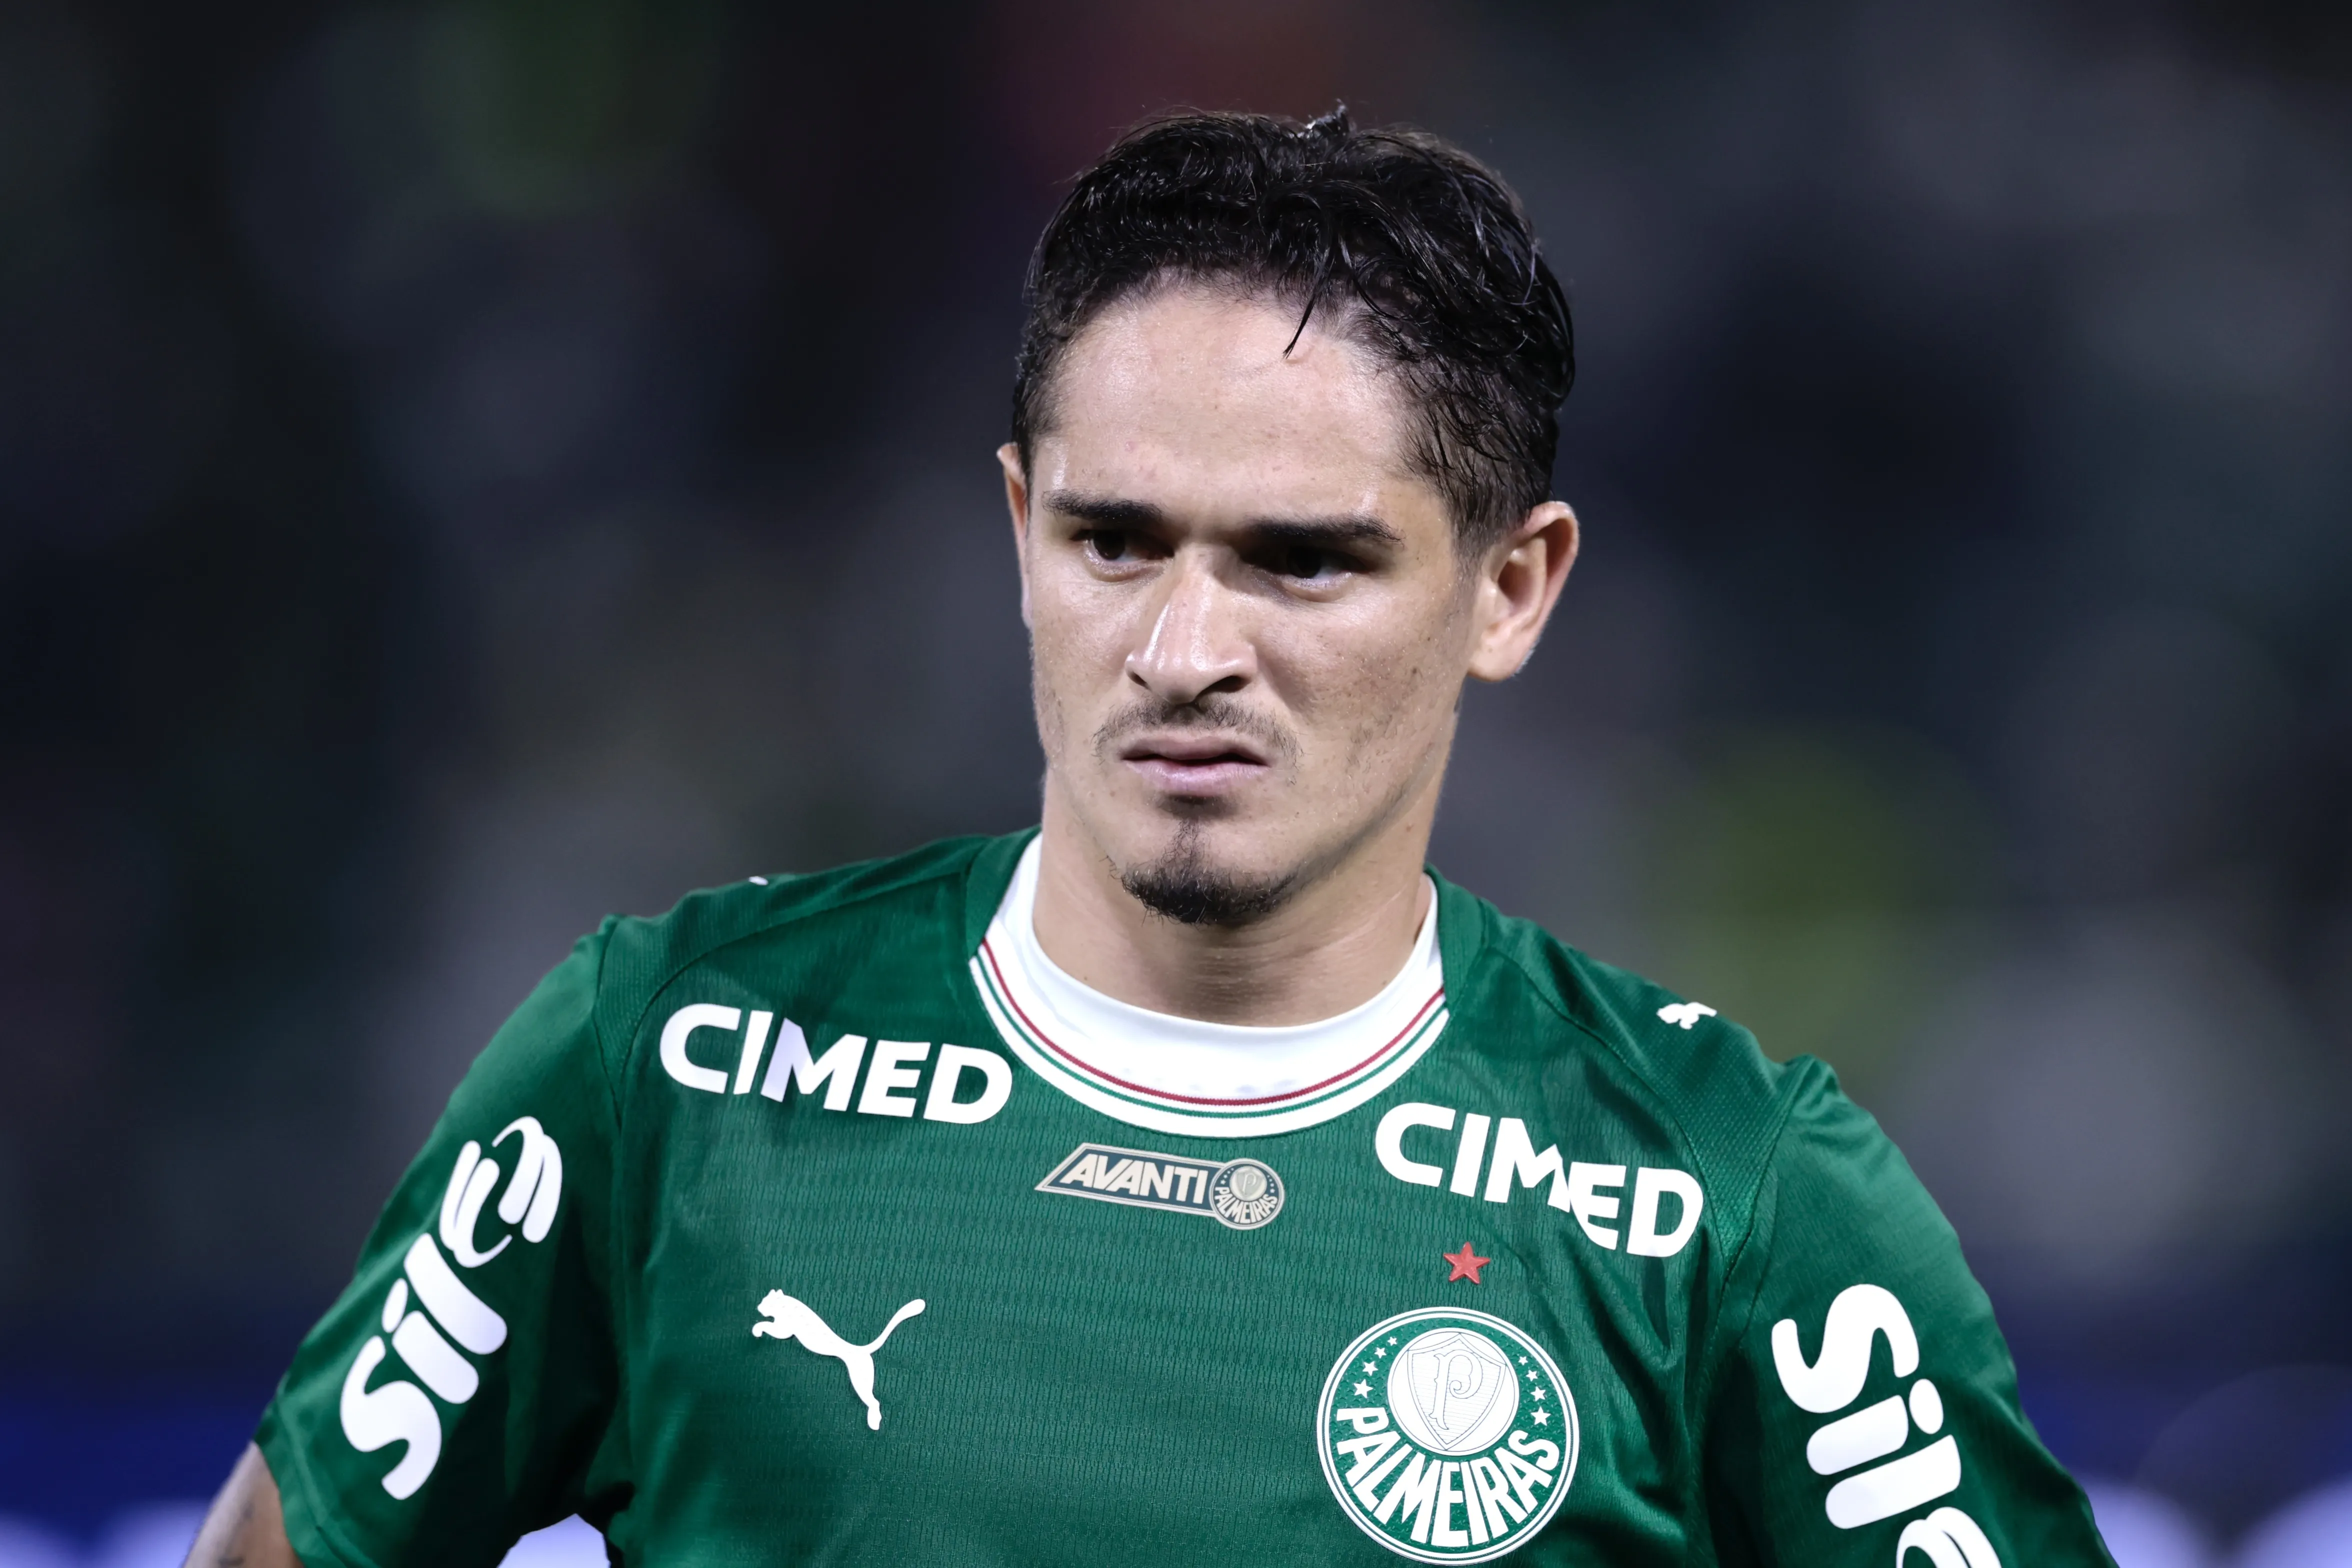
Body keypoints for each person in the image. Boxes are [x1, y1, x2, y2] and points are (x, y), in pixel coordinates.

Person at [187, 108, 2114, 1568]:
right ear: (1017, 522)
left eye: (1304, 561)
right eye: (1115, 540)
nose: (1187, 651)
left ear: (1512, 591)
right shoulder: (671, 1063)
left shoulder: (1732, 1205)